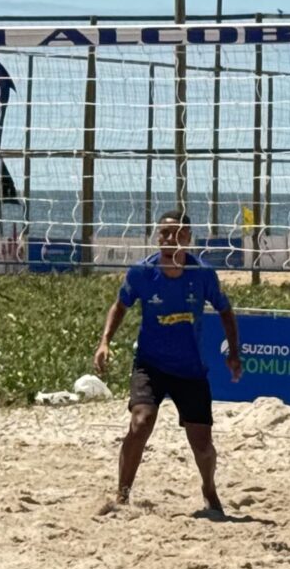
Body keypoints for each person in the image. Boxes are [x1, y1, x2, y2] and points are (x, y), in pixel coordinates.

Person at [93, 212, 245, 516]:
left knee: (202, 444)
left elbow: (225, 311)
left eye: (176, 233)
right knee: (141, 422)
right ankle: (122, 494)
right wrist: (105, 341)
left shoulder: (203, 274)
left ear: (187, 239)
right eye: (163, 233)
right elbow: (120, 305)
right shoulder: (142, 272)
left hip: (190, 369)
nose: (169, 239)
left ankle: (209, 489)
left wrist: (233, 353)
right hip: (150, 364)